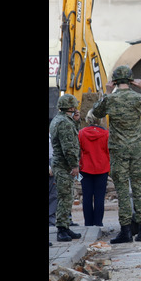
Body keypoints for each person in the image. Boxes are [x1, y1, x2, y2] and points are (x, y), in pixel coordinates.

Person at [92, 65, 141, 244]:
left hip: (118, 151)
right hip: (136, 150)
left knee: (122, 191)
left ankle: (126, 231)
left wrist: (106, 91)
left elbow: (97, 113)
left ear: (114, 81)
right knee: (138, 189)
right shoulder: (137, 98)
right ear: (130, 80)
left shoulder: (111, 99)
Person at [49, 94, 82, 242]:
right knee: (64, 197)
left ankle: (66, 226)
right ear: (70, 107)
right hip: (64, 165)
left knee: (67, 196)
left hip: (61, 164)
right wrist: (74, 165)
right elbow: (68, 147)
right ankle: (61, 229)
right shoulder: (64, 123)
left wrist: (76, 121)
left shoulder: (60, 120)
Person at [78, 111, 110, 227]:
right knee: (99, 197)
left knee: (86, 197)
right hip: (102, 168)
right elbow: (108, 151)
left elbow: (78, 151)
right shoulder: (106, 134)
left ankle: (88, 223)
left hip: (85, 168)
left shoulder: (81, 133)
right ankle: (98, 222)